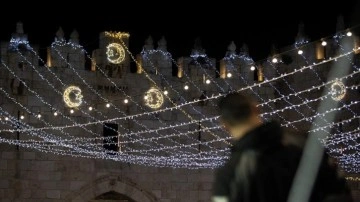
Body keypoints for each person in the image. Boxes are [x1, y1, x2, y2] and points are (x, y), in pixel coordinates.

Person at [212, 92, 352, 202]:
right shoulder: (305, 143)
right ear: (256, 108)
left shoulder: (230, 174)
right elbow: (339, 193)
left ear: (224, 125)